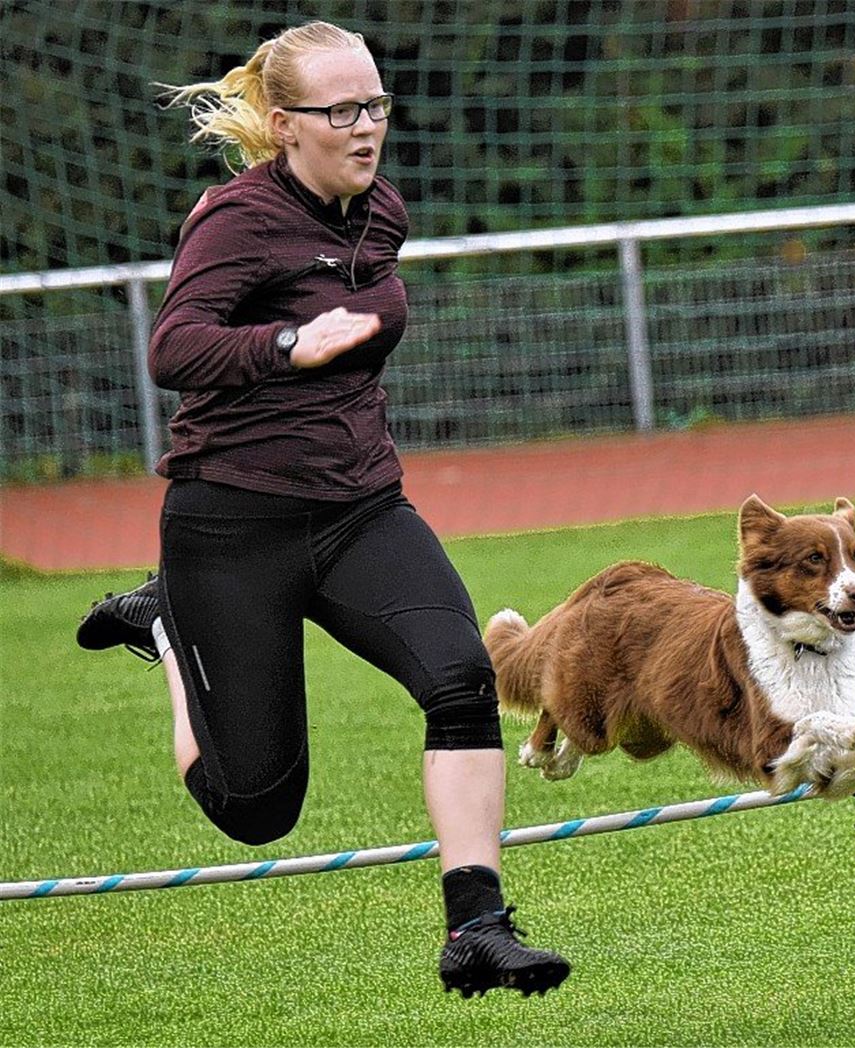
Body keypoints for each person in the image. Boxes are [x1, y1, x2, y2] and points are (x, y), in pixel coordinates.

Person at [76, 20, 569, 999]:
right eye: (341, 110)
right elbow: (173, 348)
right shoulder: (236, 220)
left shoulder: (380, 210)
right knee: (257, 808)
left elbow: (365, 312)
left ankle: (476, 926)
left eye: (374, 104)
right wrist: (283, 345)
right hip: (231, 529)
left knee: (461, 674)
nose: (366, 125)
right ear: (283, 124)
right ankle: (169, 625)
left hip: (359, 510)